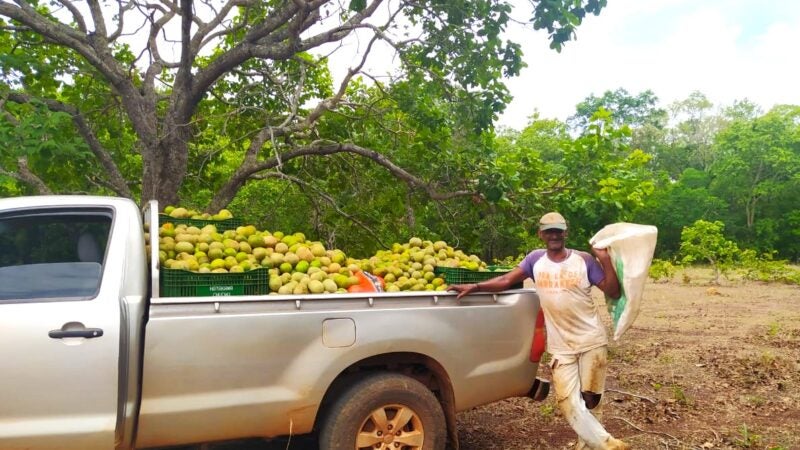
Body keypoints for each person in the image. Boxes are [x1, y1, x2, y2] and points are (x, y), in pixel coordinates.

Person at [449, 212, 630, 450]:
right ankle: (608, 445)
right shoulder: (535, 260)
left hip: (591, 340)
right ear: (541, 234)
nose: (553, 235)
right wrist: (475, 287)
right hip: (560, 345)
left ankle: (586, 444)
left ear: (566, 232)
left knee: (591, 398)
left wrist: (604, 258)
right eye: (548, 231)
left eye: (558, 230)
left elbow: (613, 291)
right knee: (567, 401)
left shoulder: (584, 260)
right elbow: (506, 281)